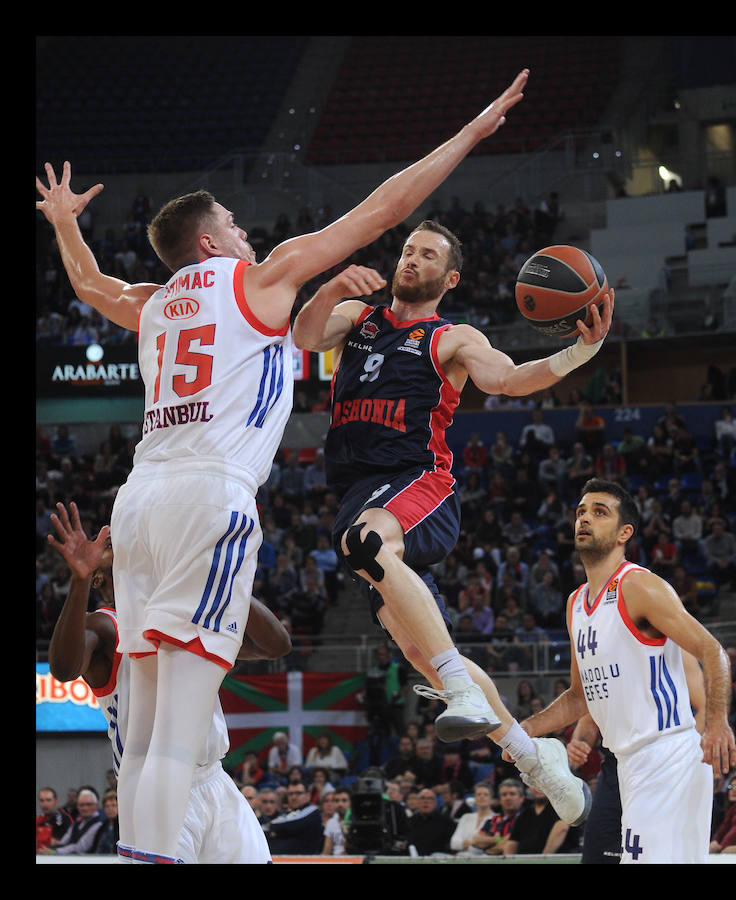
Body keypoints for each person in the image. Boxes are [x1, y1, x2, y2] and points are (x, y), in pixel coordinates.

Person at [35, 69, 531, 864]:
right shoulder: (257, 281)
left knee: (152, 720)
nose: (244, 232)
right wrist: (472, 133)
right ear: (210, 242)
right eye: (232, 223)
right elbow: (386, 210)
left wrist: (64, 223)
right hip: (208, 495)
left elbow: (87, 279)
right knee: (175, 734)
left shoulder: (154, 301)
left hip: (138, 503)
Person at [293, 211, 613, 828]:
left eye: (427, 255)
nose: (411, 260)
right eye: (407, 251)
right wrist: (331, 287)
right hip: (360, 489)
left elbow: (512, 381)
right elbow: (306, 337)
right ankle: (535, 757)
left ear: (451, 277)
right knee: (421, 649)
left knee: (364, 544)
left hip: (419, 481)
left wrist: (583, 350)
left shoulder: (452, 338)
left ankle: (461, 692)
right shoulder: (359, 320)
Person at [45, 500, 290, 863]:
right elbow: (64, 669)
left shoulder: (186, 614)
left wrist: (216, 574)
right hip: (152, 785)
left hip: (214, 780)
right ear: (99, 575)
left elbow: (276, 646)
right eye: (115, 545)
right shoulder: (105, 624)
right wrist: (79, 581)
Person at [513, 478, 736, 863]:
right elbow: (579, 696)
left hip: (668, 756)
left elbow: (713, 652)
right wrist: (521, 731)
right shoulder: (575, 603)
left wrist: (716, 721)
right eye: (581, 511)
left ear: (624, 533)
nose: (585, 519)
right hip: (626, 762)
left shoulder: (640, 586)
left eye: (600, 512)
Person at [567, 647, 707, 864]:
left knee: (655, 853)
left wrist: (680, 755)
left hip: (664, 765)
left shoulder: (669, 645)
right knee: (597, 851)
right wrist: (579, 743)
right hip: (617, 764)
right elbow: (588, 720)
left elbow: (705, 708)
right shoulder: (597, 652)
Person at [502, 785, 579, 856]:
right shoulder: (524, 815)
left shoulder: (562, 808)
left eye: (542, 783)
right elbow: (512, 842)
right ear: (529, 788)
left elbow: (562, 828)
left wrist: (542, 860)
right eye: (533, 784)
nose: (538, 787)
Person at [37, 788, 104, 856]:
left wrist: (54, 852)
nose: (84, 808)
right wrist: (49, 850)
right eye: (81, 805)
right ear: (77, 806)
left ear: (96, 806)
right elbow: (63, 842)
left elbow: (79, 848)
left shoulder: (99, 824)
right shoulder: (78, 822)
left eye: (88, 804)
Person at [470, 779, 527, 856]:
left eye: (512, 794)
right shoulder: (493, 820)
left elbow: (509, 845)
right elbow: (475, 841)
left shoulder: (527, 818)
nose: (508, 798)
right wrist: (499, 839)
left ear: (521, 798)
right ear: (500, 800)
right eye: (504, 795)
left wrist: (488, 848)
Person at [266, 781, 324, 855]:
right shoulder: (288, 814)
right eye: (290, 794)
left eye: (298, 793)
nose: (293, 797)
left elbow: (291, 825)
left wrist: (275, 832)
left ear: (308, 796)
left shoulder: (312, 810)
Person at [402, 787, 456, 856]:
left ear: (435, 803)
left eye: (430, 798)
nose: (426, 801)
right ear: (417, 802)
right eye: (422, 798)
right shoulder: (409, 821)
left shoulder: (446, 822)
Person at [450, 782, 495, 856]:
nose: (482, 797)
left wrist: (466, 844)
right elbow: (453, 843)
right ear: (475, 798)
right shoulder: (466, 817)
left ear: (491, 798)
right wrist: (475, 842)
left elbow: (498, 840)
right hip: (462, 857)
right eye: (479, 794)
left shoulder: (497, 818)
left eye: (485, 794)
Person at [36, 787, 74, 851]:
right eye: (42, 800)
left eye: (48, 800)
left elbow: (54, 846)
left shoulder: (62, 819)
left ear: (56, 801)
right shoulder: (40, 819)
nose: (44, 804)